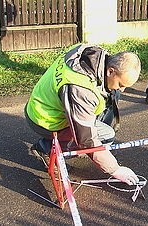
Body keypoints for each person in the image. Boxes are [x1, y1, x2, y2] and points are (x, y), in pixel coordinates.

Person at [25, 44, 141, 186]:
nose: (122, 89)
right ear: (110, 71)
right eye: (121, 84)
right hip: (44, 119)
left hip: (41, 102)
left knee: (112, 94)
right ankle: (46, 148)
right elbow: (86, 138)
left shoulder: (89, 53)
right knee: (105, 136)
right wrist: (114, 169)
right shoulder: (80, 89)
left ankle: (71, 145)